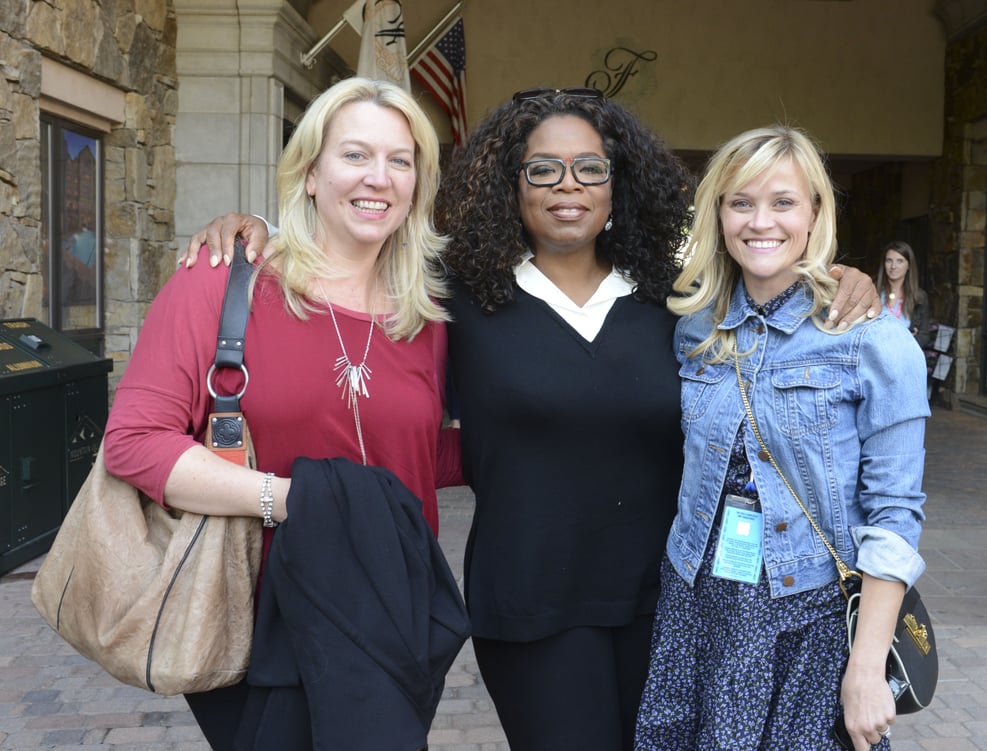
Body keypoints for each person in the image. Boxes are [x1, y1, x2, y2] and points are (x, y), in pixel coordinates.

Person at [185, 94, 881, 749]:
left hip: (669, 601)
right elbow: (355, 266)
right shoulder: (453, 295)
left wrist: (840, 276)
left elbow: (769, 281)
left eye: (589, 168)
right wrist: (260, 232)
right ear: (511, 185)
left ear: (619, 184)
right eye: (542, 169)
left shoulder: (678, 297)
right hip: (530, 602)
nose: (567, 185)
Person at [103, 77, 464, 750]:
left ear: (418, 182)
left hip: (391, 608)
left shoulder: (427, 316)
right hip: (254, 610)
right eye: (355, 155)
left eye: (400, 159)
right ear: (307, 172)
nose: (378, 178)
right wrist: (293, 501)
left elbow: (418, 455)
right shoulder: (221, 280)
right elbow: (134, 442)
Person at [634, 125, 929, 751]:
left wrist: (867, 666)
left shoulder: (872, 340)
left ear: (815, 212)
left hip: (809, 619)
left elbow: (895, 514)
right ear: (717, 212)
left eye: (783, 202)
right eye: (740, 201)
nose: (759, 221)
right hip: (698, 602)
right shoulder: (694, 329)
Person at [876, 239, 930, 347]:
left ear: (909, 265)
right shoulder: (873, 291)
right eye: (889, 260)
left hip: (904, 357)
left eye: (899, 261)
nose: (893, 266)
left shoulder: (919, 297)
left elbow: (924, 335)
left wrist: (907, 342)